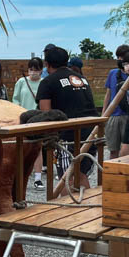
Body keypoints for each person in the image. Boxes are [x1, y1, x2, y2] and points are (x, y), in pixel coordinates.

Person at [36, 46, 98, 189]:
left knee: (68, 179)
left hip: (68, 136)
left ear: (47, 64)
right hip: (92, 133)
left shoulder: (48, 82)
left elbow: (47, 114)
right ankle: (87, 209)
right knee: (80, 175)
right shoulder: (81, 78)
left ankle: (70, 209)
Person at [11, 57, 45, 188]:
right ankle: (17, 175)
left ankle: (37, 177)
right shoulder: (21, 82)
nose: (33, 72)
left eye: (36, 69)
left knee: (37, 148)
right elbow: (16, 99)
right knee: (20, 146)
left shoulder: (44, 82)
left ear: (41, 70)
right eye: (31, 69)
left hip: (37, 118)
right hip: (22, 118)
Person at [102, 44, 129, 161]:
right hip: (113, 114)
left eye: (122, 57)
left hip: (128, 114)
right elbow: (108, 94)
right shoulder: (112, 73)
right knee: (113, 149)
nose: (120, 60)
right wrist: (104, 113)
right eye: (118, 57)